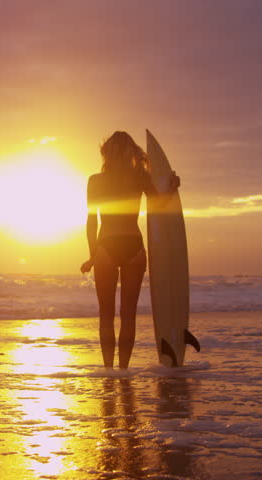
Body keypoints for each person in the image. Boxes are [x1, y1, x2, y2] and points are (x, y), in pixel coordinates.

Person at [80, 131, 180, 369]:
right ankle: (123, 371)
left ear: (106, 152)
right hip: (134, 247)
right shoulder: (139, 177)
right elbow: (159, 205)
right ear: (130, 152)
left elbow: (91, 220)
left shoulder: (95, 180)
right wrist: (171, 189)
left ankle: (108, 372)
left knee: (106, 316)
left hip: (106, 246)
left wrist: (93, 255)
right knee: (128, 317)